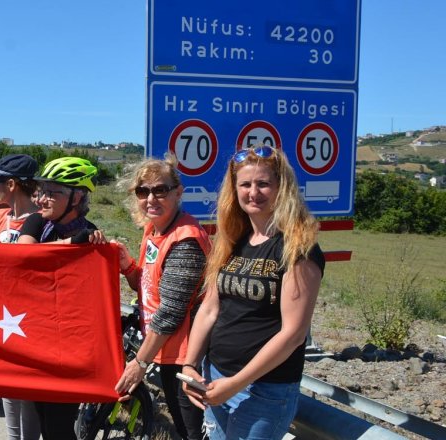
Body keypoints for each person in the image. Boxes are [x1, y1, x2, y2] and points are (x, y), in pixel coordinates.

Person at [181, 146, 324, 440]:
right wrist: (190, 363)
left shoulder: (298, 248)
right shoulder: (233, 239)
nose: (253, 192)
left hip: (264, 390)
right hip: (215, 377)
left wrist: (235, 384)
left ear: (281, 188)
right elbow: (210, 308)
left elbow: (293, 334)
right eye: (245, 184)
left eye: (263, 183)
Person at [111, 157, 209, 440]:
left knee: (192, 432)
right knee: (182, 428)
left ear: (178, 192)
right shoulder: (153, 230)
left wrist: (139, 363)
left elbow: (171, 311)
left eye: (160, 190)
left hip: (188, 355)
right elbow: (148, 288)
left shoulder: (185, 239)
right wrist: (127, 264)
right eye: (143, 191)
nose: (151, 198)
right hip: (168, 350)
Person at [16, 157, 101, 439]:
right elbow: (22, 256)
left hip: (67, 346)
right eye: (42, 191)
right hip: (32, 338)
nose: (42, 199)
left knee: (59, 427)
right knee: (41, 418)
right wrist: (69, 245)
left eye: (53, 192)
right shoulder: (36, 222)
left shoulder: (91, 233)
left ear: (77, 197)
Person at [0, 154, 41, 439]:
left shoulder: (42, 221)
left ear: (12, 184)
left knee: (28, 391)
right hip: (0, 314)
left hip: (29, 319)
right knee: (7, 385)